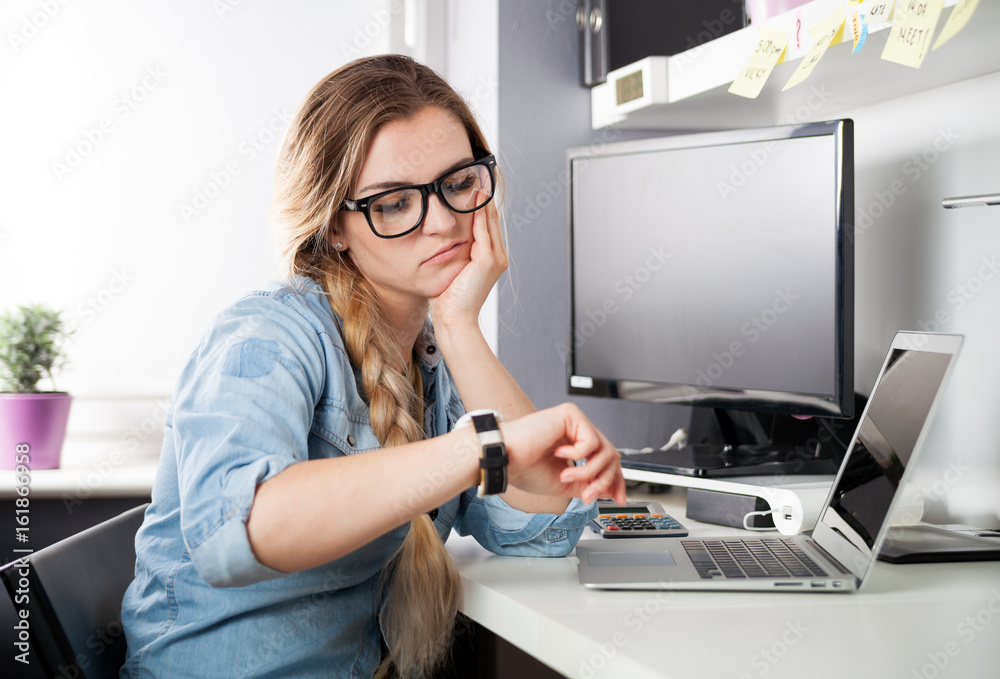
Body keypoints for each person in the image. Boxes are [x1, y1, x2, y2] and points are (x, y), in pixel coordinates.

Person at [120, 54, 626, 679]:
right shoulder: (263, 336)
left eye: (459, 183)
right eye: (393, 203)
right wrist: (478, 449)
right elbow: (239, 532)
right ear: (334, 225)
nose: (442, 223)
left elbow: (540, 528)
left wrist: (461, 327)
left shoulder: (428, 357)